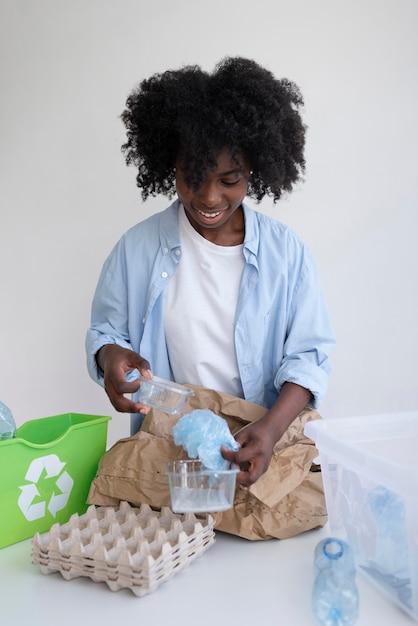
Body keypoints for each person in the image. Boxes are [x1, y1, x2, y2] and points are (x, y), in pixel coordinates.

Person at [86, 56, 335, 489]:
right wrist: (110, 358)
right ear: (171, 166)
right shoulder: (136, 249)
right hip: (166, 455)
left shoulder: (286, 253)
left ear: (254, 168)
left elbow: (309, 357)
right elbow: (107, 332)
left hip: (260, 447)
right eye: (193, 176)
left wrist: (271, 430)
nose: (209, 196)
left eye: (229, 179)